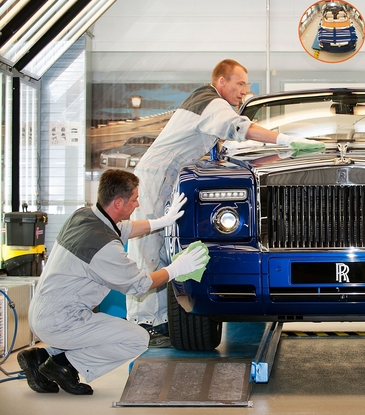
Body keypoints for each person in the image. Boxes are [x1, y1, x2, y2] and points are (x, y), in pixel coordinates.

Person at [126, 59, 321, 342]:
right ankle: (144, 323)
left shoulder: (208, 106)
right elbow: (238, 127)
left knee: (159, 249)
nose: (245, 90)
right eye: (240, 83)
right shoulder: (211, 103)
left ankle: (158, 321)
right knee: (148, 248)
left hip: (169, 178)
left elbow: (231, 143)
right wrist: (283, 139)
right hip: (158, 177)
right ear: (222, 82)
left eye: (246, 85)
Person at [17, 169, 208, 395]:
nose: (137, 204)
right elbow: (141, 285)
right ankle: (65, 366)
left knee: (99, 330)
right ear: (118, 203)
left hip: (43, 311)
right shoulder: (105, 247)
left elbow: (125, 229)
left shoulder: (85, 216)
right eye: (134, 199)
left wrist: (163, 222)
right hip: (62, 320)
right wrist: (177, 268)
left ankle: (39, 356)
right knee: (137, 338)